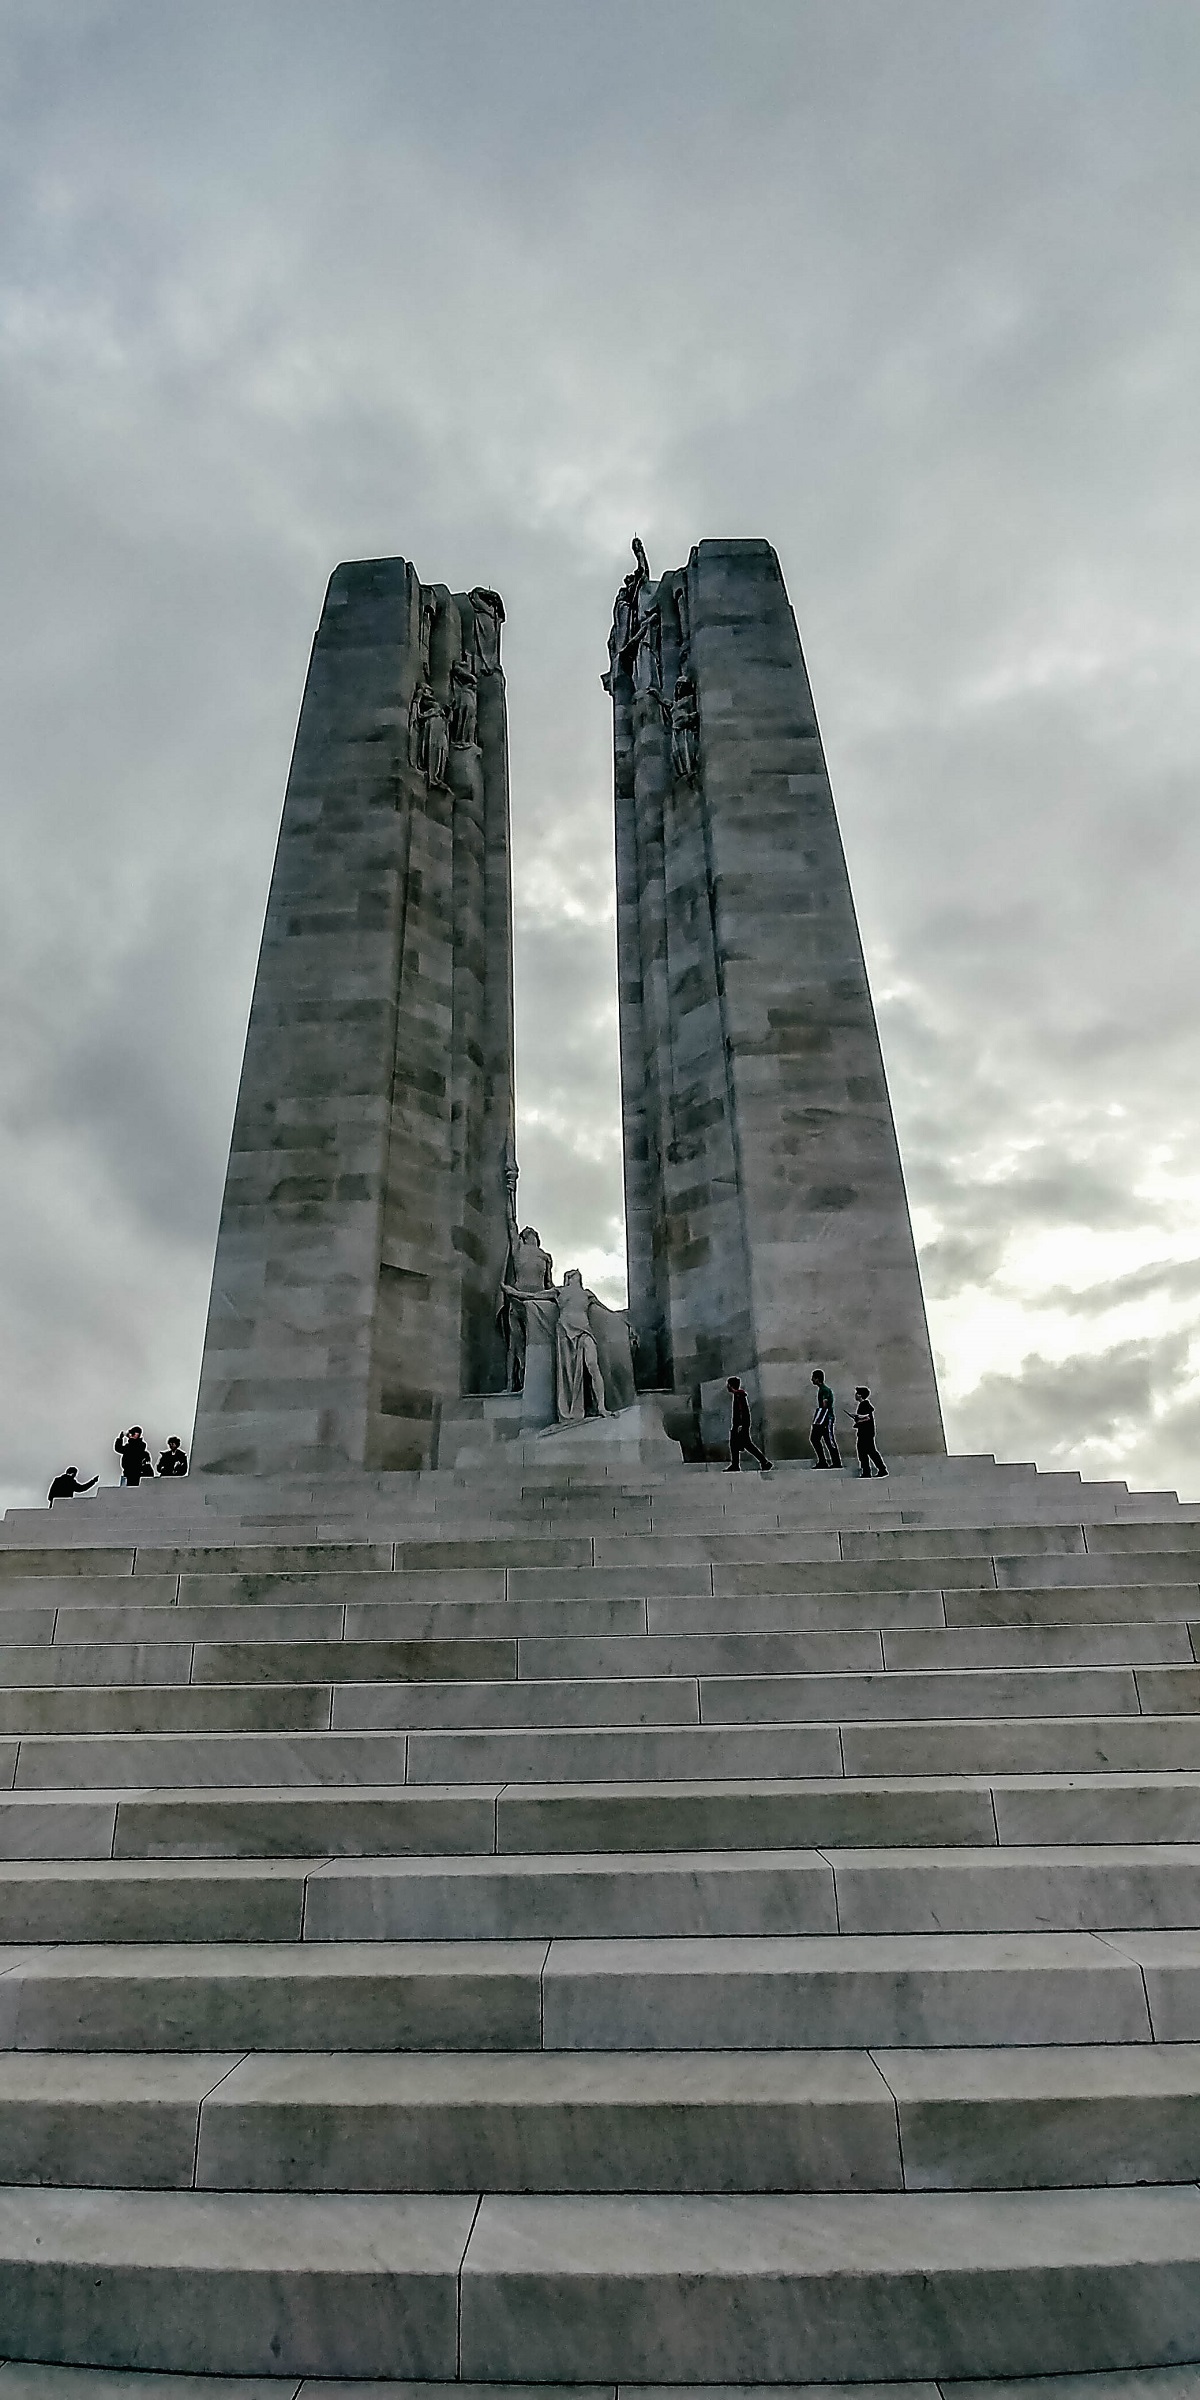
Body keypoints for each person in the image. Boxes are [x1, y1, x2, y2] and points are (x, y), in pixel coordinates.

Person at [726, 1377, 772, 1473]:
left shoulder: (739, 1395)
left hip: (740, 1425)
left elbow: (742, 1411)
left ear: (730, 1385)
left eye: (728, 1385)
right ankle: (763, 1462)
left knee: (744, 1445)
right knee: (738, 1444)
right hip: (741, 1425)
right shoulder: (739, 1395)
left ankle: (763, 1462)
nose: (727, 1387)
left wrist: (740, 1425)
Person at [853, 1387, 888, 1478]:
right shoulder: (865, 1404)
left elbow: (867, 1418)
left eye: (857, 1393)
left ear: (860, 1395)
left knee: (865, 1452)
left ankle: (871, 1471)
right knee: (868, 1452)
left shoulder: (864, 1405)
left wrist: (858, 1420)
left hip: (865, 1433)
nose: (855, 1395)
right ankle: (877, 1469)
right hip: (867, 1433)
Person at [810, 1369, 841, 1468]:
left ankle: (836, 1462)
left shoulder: (824, 1390)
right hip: (823, 1417)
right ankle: (823, 1461)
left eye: (813, 1378)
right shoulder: (822, 1389)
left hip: (826, 1418)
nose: (812, 1380)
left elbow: (825, 1405)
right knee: (816, 1438)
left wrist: (820, 1418)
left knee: (829, 1439)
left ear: (817, 1379)